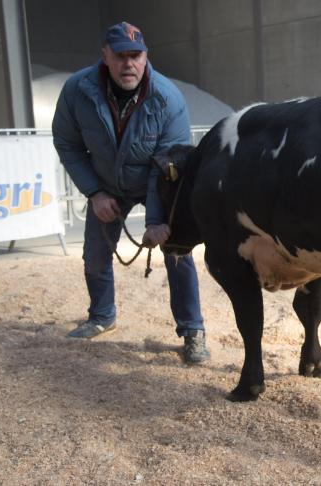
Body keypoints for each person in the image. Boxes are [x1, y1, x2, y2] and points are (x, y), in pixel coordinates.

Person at [52, 21, 209, 364]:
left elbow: (169, 165)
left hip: (160, 183)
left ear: (145, 56)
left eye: (135, 55)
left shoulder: (168, 98)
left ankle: (192, 329)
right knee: (94, 252)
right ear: (105, 56)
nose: (129, 64)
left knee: (177, 253)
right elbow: (67, 143)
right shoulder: (77, 90)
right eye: (120, 55)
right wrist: (94, 193)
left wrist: (156, 220)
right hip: (107, 185)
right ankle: (101, 316)